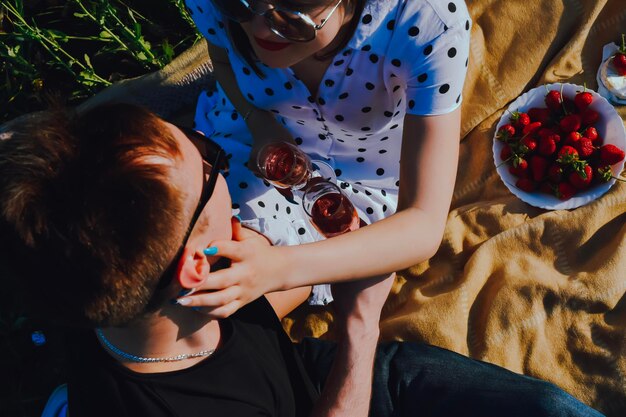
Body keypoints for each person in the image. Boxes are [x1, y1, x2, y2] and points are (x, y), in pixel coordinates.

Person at [0, 103, 605, 417]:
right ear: (193, 265)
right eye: (210, 161)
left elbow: (248, 317)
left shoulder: (108, 284)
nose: (221, 166)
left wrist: (294, 265)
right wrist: (359, 331)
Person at [173, 0, 472, 311]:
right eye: (242, 6)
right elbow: (222, 60)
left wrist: (280, 269)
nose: (260, 28)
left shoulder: (429, 20)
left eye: (292, 18)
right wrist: (260, 123)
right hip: (250, 143)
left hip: (367, 181)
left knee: (226, 317)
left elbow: (423, 224)